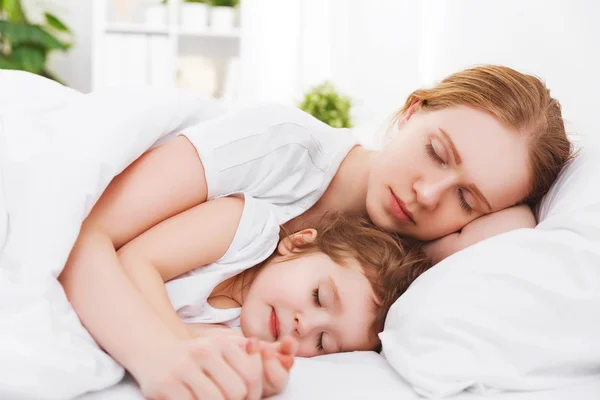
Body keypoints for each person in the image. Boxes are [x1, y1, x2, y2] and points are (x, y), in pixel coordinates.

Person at [59, 65, 573, 399]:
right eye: (436, 152)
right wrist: (159, 355)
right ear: (411, 112)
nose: (427, 194)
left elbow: (511, 235)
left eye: (467, 198)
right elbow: (80, 232)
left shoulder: (380, 268)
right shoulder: (279, 148)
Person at [118, 208, 431, 398]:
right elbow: (133, 262)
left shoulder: (241, 337)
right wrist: (182, 346)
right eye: (317, 297)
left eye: (323, 342)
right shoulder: (241, 231)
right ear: (298, 243)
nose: (304, 326)